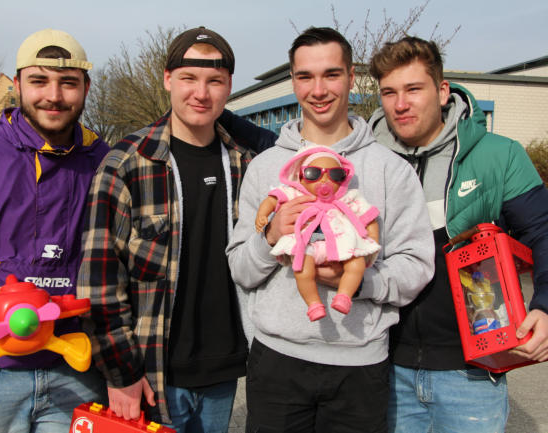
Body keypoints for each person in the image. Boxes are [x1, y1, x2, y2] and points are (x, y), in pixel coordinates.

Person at [226, 27, 435, 433]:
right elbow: (240, 269)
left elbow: (416, 265)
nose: (318, 90)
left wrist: (358, 282)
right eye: (305, 76)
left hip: (361, 368)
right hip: (276, 362)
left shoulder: (391, 169)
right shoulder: (265, 168)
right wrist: (270, 237)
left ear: (351, 77)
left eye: (331, 75)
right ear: (293, 81)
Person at [77, 26, 276, 433]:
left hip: (225, 371)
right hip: (151, 374)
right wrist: (121, 372)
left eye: (214, 81)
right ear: (168, 79)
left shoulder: (249, 165)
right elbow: (99, 281)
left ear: (229, 86)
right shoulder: (127, 163)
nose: (201, 93)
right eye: (188, 78)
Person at [368, 36, 548, 433]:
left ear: (442, 91)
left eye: (414, 89)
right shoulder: (364, 162)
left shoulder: (499, 155)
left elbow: (543, 233)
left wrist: (546, 308)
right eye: (389, 92)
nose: (400, 104)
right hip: (385, 368)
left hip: (472, 374)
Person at [0, 29, 109, 432]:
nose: (53, 96)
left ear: (86, 88)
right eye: (39, 81)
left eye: (68, 82)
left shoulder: (107, 163)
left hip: (76, 367)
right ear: (17, 84)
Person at [255, 144, 380, 321]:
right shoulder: (297, 194)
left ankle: (344, 296)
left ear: (343, 179)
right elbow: (272, 199)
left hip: (340, 245)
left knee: (357, 264)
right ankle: (313, 304)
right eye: (313, 173)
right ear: (301, 177)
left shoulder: (348, 198)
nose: (324, 180)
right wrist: (262, 214)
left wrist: (372, 239)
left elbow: (368, 217)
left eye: (335, 175)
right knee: (302, 270)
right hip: (307, 244)